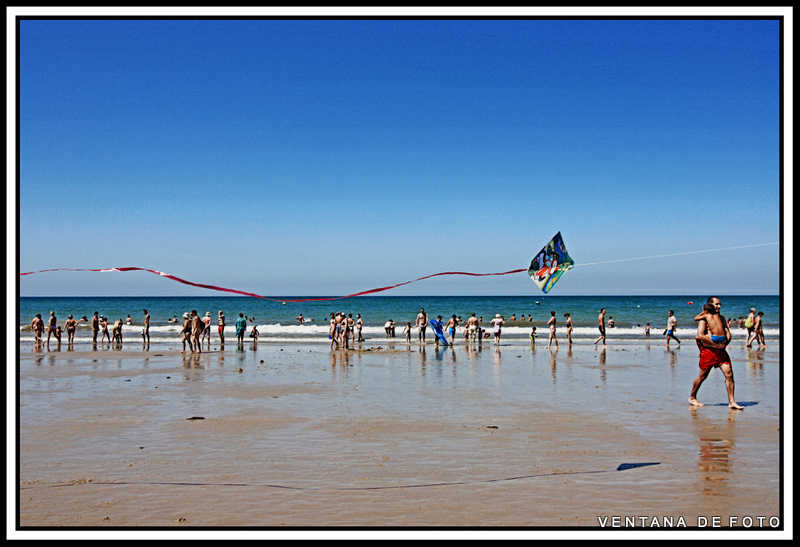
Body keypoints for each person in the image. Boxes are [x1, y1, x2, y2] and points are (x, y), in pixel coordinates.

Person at [689, 297, 743, 410]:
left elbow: (727, 331)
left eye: (720, 304)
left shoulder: (721, 318)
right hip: (709, 352)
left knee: (729, 375)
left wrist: (725, 343)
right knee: (702, 376)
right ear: (710, 305)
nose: (719, 306)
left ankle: (732, 401)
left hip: (721, 352)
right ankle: (692, 397)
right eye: (717, 304)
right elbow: (700, 336)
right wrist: (715, 345)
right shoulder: (704, 319)